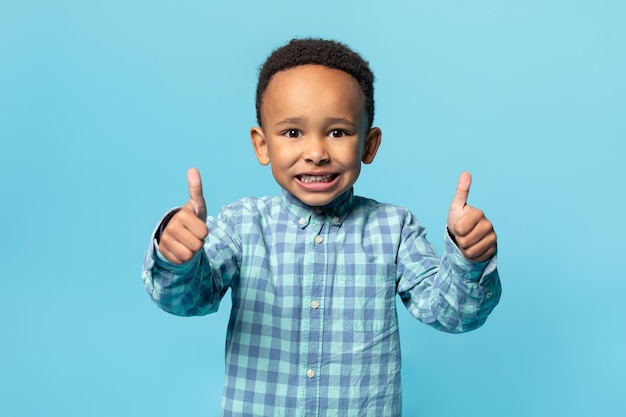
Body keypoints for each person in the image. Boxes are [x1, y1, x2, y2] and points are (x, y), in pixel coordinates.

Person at [142, 38, 501, 416]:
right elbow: (188, 300)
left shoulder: (394, 230)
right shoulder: (241, 224)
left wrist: (468, 258)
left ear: (369, 144)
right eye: (293, 133)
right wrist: (177, 259)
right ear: (262, 145)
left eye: (338, 132)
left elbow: (452, 314)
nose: (316, 153)